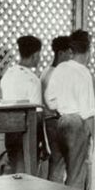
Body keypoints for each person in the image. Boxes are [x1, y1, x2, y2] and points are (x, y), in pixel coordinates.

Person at [45, 29, 95, 190]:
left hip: (60, 121)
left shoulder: (60, 69)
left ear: (71, 50)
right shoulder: (84, 73)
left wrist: (62, 108)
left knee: (56, 170)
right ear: (88, 51)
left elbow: (50, 99)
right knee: (76, 173)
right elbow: (88, 111)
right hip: (77, 123)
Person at [0, 35, 43, 174]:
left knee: (16, 171)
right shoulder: (33, 80)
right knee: (28, 174)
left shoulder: (8, 75)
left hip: (9, 131)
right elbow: (37, 115)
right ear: (35, 55)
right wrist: (42, 142)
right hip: (26, 133)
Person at [40, 35, 71, 182]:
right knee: (58, 165)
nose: (70, 56)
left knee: (56, 163)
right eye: (68, 52)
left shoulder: (46, 71)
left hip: (48, 121)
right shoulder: (57, 74)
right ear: (61, 53)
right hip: (55, 120)